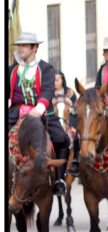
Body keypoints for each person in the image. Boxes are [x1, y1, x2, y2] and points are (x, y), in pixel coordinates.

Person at [7, 33, 70, 196]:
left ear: (34, 48)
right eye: (19, 46)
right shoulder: (11, 70)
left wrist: (39, 108)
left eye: (24, 46)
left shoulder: (46, 69)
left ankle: (59, 180)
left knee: (62, 139)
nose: (20, 48)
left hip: (41, 111)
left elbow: (48, 90)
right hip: (16, 111)